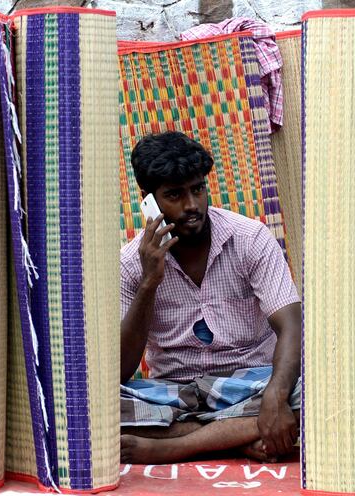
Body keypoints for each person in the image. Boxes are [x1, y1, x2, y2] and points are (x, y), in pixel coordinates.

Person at [120, 131, 302, 465]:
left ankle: (176, 446)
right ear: (148, 200)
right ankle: (239, 437)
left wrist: (275, 395)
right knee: (90, 404)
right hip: (173, 392)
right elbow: (119, 369)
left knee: (316, 391)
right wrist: (149, 283)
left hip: (250, 383)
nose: (191, 205)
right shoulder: (131, 263)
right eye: (175, 195)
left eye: (198, 189)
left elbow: (291, 326)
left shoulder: (250, 238)